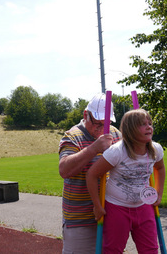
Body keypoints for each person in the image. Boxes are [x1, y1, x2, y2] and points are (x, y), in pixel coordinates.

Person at [86, 109, 166, 254]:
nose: (149, 127)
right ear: (130, 130)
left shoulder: (155, 149)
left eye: (150, 123)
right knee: (113, 250)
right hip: (117, 208)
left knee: (151, 250)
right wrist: (97, 206)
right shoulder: (117, 152)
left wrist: (159, 193)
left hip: (144, 206)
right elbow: (92, 175)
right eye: (143, 124)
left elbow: (159, 168)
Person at [58, 93, 122, 253]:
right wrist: (94, 148)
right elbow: (64, 170)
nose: (101, 129)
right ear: (86, 115)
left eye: (105, 124)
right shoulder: (72, 136)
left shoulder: (115, 134)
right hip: (80, 220)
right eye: (97, 124)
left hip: (109, 215)